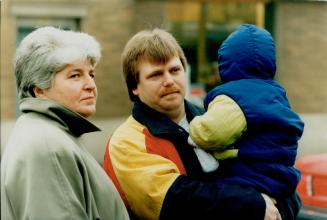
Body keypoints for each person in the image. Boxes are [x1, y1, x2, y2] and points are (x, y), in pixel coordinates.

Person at [103, 28, 301, 220]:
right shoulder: (126, 142)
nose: (169, 80)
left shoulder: (215, 120)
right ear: (134, 86)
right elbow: (176, 201)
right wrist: (255, 205)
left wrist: (278, 210)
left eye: (175, 70)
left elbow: (273, 173)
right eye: (156, 74)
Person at [1, 26, 129, 220]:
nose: (91, 85)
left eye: (91, 74)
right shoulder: (47, 146)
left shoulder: (52, 134)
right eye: (75, 75)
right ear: (39, 90)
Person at [188, 23, 304, 205]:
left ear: (226, 62)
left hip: (249, 176)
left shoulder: (235, 98)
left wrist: (193, 125)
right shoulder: (275, 92)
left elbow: (210, 133)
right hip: (279, 178)